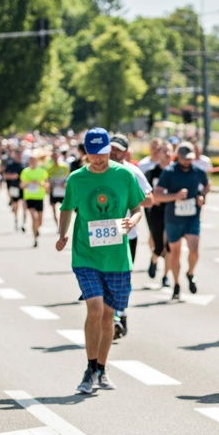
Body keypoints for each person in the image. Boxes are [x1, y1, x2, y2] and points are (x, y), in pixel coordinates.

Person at [56, 128, 145, 394]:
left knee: (108, 317)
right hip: (86, 255)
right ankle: (90, 367)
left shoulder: (124, 175)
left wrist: (133, 221)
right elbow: (66, 209)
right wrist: (62, 235)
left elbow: (138, 208)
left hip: (117, 258)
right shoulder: (76, 179)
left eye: (102, 153)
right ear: (86, 153)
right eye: (92, 154)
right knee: (94, 310)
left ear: (109, 150)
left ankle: (102, 369)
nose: (98, 159)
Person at [109, 134, 154, 337]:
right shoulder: (97, 172)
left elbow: (150, 199)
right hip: (101, 232)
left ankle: (120, 313)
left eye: (117, 149)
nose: (113, 152)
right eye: (110, 148)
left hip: (127, 232)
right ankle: (110, 315)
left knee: (122, 276)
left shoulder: (132, 171)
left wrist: (128, 197)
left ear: (125, 152)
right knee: (103, 276)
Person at [153, 141, 209, 300]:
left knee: (194, 250)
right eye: (184, 159)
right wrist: (175, 196)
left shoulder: (198, 170)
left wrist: (202, 196)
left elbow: (207, 185)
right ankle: (176, 284)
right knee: (175, 254)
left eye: (190, 159)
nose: (187, 162)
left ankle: (190, 273)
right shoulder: (169, 172)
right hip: (173, 218)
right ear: (178, 157)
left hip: (192, 217)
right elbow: (157, 195)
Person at [143, 142, 174, 287]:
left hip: (172, 212)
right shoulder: (152, 172)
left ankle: (165, 276)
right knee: (158, 244)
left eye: (169, 151)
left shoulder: (176, 171)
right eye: (164, 151)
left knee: (169, 245)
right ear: (158, 153)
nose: (167, 154)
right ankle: (154, 259)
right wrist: (154, 199)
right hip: (155, 212)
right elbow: (145, 192)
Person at [20, 154, 49, 247]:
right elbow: (21, 185)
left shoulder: (42, 171)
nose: (32, 162)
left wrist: (39, 183)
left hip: (39, 197)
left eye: (33, 160)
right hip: (29, 197)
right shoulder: (25, 171)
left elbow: (47, 184)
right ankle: (35, 238)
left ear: (37, 161)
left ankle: (37, 229)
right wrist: (28, 183)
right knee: (34, 217)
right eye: (30, 160)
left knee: (40, 221)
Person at [3, 148, 26, 232]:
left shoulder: (24, 165)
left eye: (20, 154)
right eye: (17, 154)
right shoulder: (10, 165)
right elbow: (4, 175)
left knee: (24, 206)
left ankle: (24, 223)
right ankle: (16, 220)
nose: (18, 156)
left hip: (23, 188)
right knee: (15, 205)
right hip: (14, 187)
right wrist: (11, 176)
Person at [47, 149, 70, 226]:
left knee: (64, 209)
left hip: (63, 191)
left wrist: (65, 183)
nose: (55, 159)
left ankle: (63, 224)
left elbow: (69, 177)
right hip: (54, 191)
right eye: (53, 157)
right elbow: (47, 180)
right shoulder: (49, 169)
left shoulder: (64, 166)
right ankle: (57, 225)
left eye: (56, 157)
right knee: (54, 209)